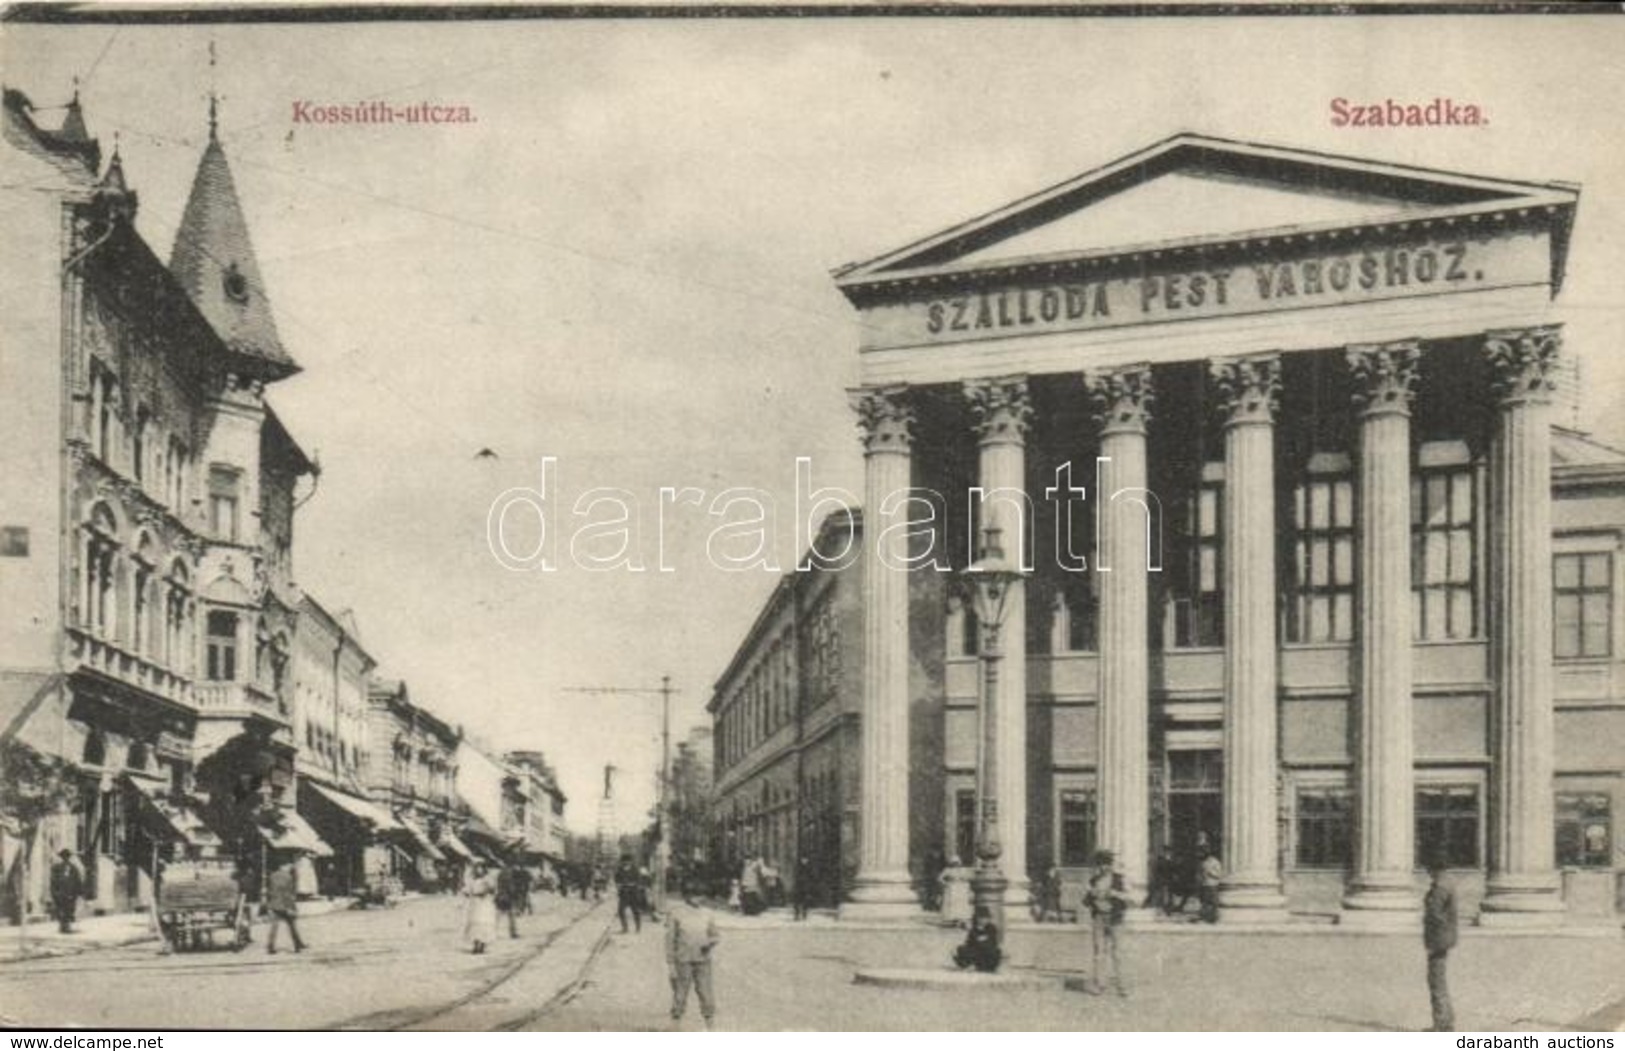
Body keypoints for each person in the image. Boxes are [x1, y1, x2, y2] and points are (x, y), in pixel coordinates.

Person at [666, 879, 720, 1029]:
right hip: (682, 960)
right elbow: (670, 939)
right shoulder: (676, 913)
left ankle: (710, 1025)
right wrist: (670, 963)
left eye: (701, 895)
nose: (699, 899)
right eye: (695, 895)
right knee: (680, 993)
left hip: (703, 959)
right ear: (687, 896)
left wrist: (710, 942)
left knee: (705, 992)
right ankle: (675, 1025)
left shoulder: (707, 913)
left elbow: (715, 935)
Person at [1083, 850, 1129, 995]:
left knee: (1118, 952)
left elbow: (1132, 899)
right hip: (1099, 918)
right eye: (1100, 865)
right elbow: (1086, 902)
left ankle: (1122, 985)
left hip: (1116, 918)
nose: (1103, 868)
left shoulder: (1119, 879)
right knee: (1099, 951)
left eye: (1106, 864)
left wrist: (1115, 894)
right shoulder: (1093, 881)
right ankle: (1100, 984)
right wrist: (1090, 894)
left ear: (1111, 865)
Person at [1423, 860, 1459, 1031]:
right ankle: (1446, 1019)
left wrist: (1434, 939)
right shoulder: (1448, 883)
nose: (1427, 873)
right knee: (1438, 978)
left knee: (1436, 980)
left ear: (1435, 868)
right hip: (1443, 937)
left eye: (1429, 869)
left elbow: (1434, 912)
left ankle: (1442, 1023)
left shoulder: (1440, 886)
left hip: (1438, 939)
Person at [265, 855, 304, 954]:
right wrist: (291, 907)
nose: (290, 867)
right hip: (285, 905)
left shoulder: (272, 875)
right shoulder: (288, 877)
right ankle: (297, 945)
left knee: (274, 926)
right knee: (291, 925)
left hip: (274, 904)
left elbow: (270, 890)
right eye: (289, 865)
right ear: (283, 866)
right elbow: (288, 894)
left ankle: (270, 946)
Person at [952, 905, 1001, 973]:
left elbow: (984, 941)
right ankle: (970, 965)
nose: (982, 920)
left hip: (987, 951)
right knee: (961, 949)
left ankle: (979, 967)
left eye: (985, 918)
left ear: (988, 919)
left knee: (994, 952)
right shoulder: (975, 928)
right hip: (976, 950)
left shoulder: (991, 928)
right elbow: (969, 942)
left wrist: (972, 932)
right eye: (980, 918)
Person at [463, 862, 498, 954]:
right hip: (475, 904)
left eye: (481, 868)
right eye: (477, 868)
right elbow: (468, 890)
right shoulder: (472, 880)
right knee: (475, 923)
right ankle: (475, 944)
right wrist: (467, 892)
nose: (479, 870)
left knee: (484, 923)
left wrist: (488, 890)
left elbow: (493, 889)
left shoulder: (488, 879)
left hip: (485, 904)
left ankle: (482, 944)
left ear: (484, 869)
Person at [49, 849, 83, 934]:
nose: (65, 859)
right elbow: (53, 880)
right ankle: (62, 925)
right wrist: (54, 891)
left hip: (71, 893)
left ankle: (66, 925)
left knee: (69, 909)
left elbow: (78, 880)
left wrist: (78, 892)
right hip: (60, 892)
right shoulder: (56, 868)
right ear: (62, 857)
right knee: (60, 909)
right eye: (64, 857)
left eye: (67, 857)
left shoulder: (73, 868)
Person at [1145, 846, 1178, 915]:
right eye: (1166, 852)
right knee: (1163, 895)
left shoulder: (1171, 861)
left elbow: (1174, 870)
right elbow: (1157, 871)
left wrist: (1174, 876)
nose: (1168, 854)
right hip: (1162, 880)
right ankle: (1162, 908)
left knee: (1169, 895)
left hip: (1169, 880)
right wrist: (1158, 878)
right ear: (1164, 852)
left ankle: (1168, 909)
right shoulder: (1160, 860)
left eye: (1169, 852)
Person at [616, 855, 644, 934]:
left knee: (635, 911)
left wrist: (632, 884)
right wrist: (619, 885)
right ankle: (625, 928)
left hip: (633, 894)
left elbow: (639, 880)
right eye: (624, 861)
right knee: (620, 911)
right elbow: (617, 879)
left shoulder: (635, 870)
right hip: (623, 894)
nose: (625, 863)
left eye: (627, 861)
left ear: (630, 862)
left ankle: (638, 928)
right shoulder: (619, 870)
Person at [1198, 843, 1222, 924]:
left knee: (1213, 902)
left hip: (1212, 884)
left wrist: (1211, 872)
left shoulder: (1215, 862)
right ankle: (1206, 917)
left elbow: (1219, 874)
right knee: (1205, 901)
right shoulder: (1203, 862)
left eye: (1204, 851)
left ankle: (1213, 918)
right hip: (1205, 884)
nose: (1202, 853)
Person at [792, 854, 814, 921]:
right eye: (803, 859)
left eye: (805, 859)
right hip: (799, 886)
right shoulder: (798, 867)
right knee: (797, 901)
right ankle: (797, 914)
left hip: (806, 887)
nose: (804, 861)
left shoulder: (809, 868)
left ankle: (804, 913)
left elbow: (812, 876)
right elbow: (795, 876)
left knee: (806, 900)